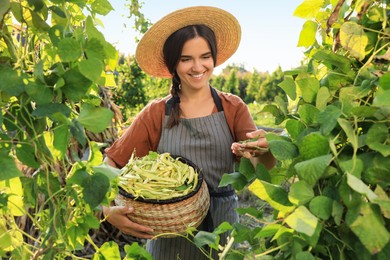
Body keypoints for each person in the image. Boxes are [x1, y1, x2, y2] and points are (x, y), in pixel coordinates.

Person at [102, 6, 276, 259]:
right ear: (173, 64)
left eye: (205, 56)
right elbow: (112, 162)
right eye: (186, 59)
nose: (198, 67)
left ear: (214, 58)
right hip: (169, 237)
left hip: (222, 229)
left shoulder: (232, 107)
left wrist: (263, 149)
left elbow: (265, 166)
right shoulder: (156, 113)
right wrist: (108, 209)